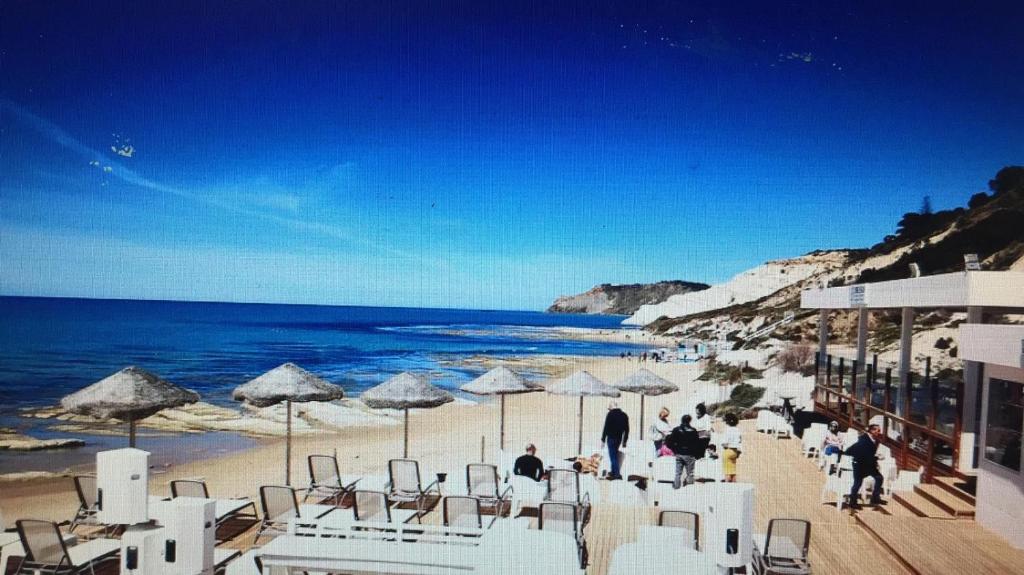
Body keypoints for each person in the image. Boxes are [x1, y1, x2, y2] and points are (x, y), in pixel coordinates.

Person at [845, 424, 886, 509]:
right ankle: (852, 502)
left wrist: (875, 458)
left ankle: (875, 498)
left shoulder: (874, 440)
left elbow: (869, 454)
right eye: (877, 430)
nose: (879, 432)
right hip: (859, 464)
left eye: (879, 430)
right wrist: (877, 458)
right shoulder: (864, 440)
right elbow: (864, 454)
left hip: (868, 464)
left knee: (879, 478)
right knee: (858, 482)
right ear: (872, 431)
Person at [666, 415, 703, 489]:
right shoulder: (693, 430)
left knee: (678, 473)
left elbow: (670, 442)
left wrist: (674, 450)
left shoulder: (676, 430)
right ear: (689, 421)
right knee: (690, 473)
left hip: (679, 453)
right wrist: (696, 454)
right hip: (689, 454)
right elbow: (697, 443)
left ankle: (676, 488)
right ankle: (689, 490)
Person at [601, 401, 630, 480]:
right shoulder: (624, 415)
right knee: (614, 454)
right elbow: (627, 429)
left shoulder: (610, 414)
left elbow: (606, 427)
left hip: (611, 438)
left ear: (611, 408)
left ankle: (617, 474)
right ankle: (613, 471)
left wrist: (603, 439)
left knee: (612, 456)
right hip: (619, 438)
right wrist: (625, 441)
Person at [721, 412, 743, 482]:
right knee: (733, 472)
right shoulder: (737, 430)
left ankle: (728, 489)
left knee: (727, 472)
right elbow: (740, 441)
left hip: (728, 451)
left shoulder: (727, 430)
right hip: (735, 452)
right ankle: (734, 487)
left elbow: (724, 443)